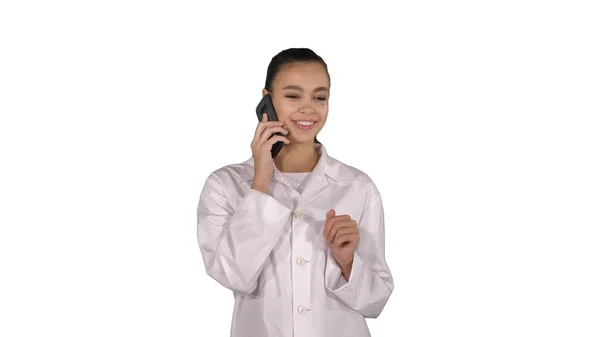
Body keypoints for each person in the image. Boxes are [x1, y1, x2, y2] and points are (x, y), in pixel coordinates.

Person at [196, 48, 394, 337]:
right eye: (292, 95)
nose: (308, 108)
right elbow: (234, 276)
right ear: (267, 99)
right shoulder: (225, 185)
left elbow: (376, 301)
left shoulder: (356, 186)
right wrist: (261, 182)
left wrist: (349, 263)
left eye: (319, 97)